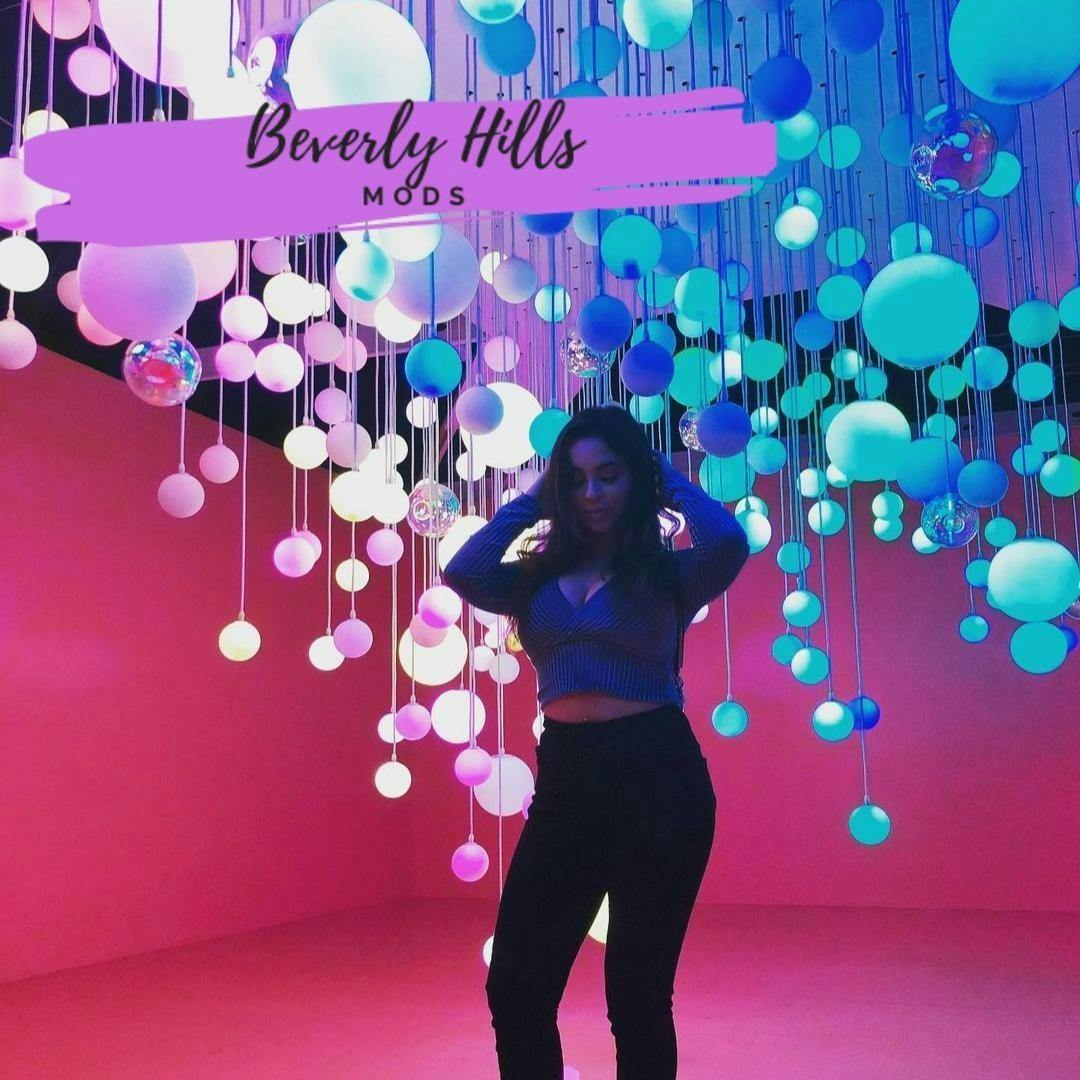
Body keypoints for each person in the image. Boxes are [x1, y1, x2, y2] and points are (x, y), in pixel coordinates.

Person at [443, 404, 750, 1080]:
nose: (592, 493)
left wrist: (661, 474)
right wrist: (535, 499)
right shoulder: (530, 580)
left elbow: (728, 541)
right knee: (516, 985)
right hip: (568, 778)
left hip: (659, 778)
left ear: (635, 478)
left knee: (637, 995)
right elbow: (464, 570)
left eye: (609, 475)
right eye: (576, 479)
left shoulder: (669, 575)